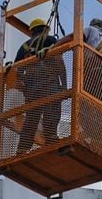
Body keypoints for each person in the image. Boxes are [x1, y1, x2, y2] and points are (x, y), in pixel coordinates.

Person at [14, 18, 67, 153]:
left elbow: (17, 69)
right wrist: (64, 86)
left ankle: (22, 148)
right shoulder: (50, 40)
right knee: (52, 111)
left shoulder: (24, 47)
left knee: (32, 118)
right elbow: (59, 62)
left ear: (32, 31)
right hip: (49, 83)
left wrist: (24, 85)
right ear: (45, 29)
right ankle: (52, 140)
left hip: (32, 88)